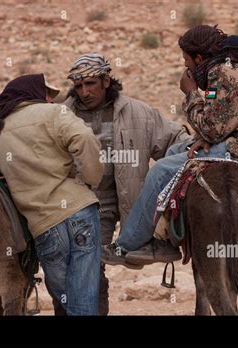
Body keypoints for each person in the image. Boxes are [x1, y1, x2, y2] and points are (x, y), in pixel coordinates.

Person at [102, 24, 238, 266]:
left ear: (199, 58)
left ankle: (126, 246)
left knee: (160, 171)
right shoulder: (225, 69)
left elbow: (212, 128)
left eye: (186, 60)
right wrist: (207, 133)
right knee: (173, 152)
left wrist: (190, 93)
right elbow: (220, 120)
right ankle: (164, 237)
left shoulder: (224, 72)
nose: (186, 67)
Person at [62, 53, 191, 315]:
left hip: (130, 204)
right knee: (87, 270)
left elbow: (175, 140)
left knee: (90, 268)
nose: (84, 92)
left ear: (106, 80)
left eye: (91, 84)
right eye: (78, 86)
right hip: (82, 206)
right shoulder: (62, 116)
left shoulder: (138, 113)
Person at [0, 74, 105, 315]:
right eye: (48, 94)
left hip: (43, 226)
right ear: (32, 93)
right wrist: (91, 180)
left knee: (67, 300)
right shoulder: (53, 114)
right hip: (79, 210)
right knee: (84, 299)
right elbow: (84, 138)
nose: (51, 100)